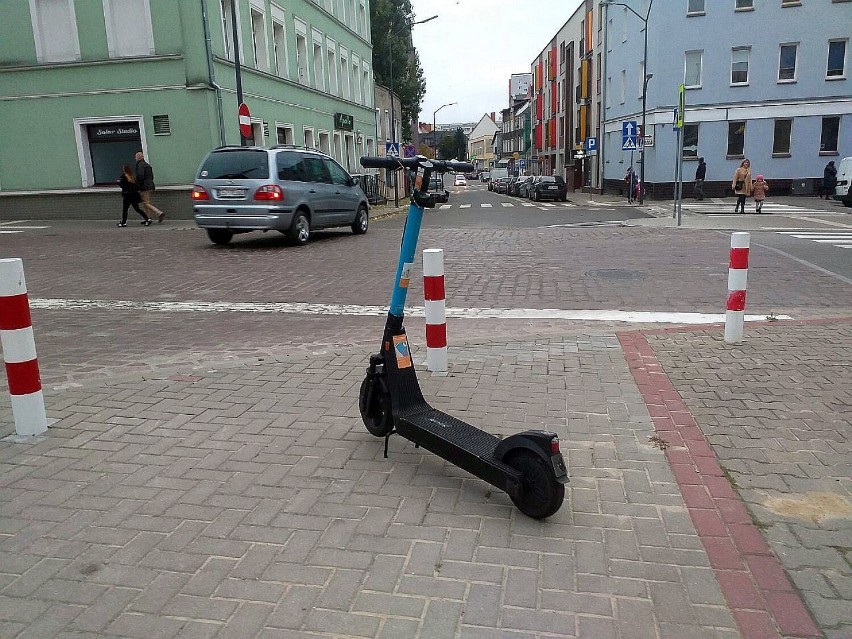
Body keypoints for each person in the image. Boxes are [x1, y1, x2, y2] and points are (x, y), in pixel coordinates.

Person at [135, 151, 165, 223]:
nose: (135, 158)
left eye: (135, 157)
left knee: (145, 203)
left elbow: (140, 176)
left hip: (144, 187)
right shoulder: (147, 165)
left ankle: (158, 212)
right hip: (150, 185)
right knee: (145, 203)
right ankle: (147, 218)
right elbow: (151, 176)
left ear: (138, 158)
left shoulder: (140, 165)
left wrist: (137, 185)